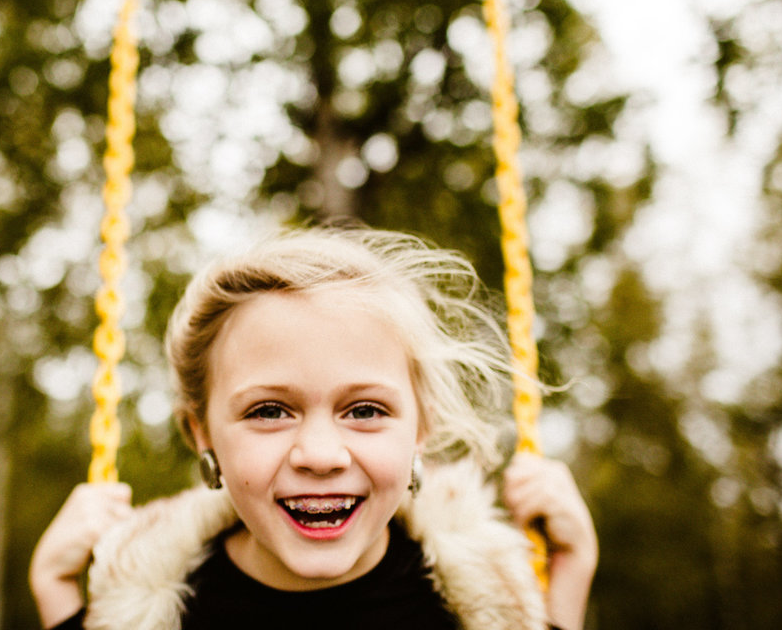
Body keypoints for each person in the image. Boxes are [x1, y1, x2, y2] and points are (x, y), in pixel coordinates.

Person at [29, 227, 597, 630]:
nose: (321, 455)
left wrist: (571, 572)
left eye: (366, 410)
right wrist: (55, 590)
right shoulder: (153, 611)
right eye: (269, 411)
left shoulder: (480, 606)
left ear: (420, 427)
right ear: (203, 435)